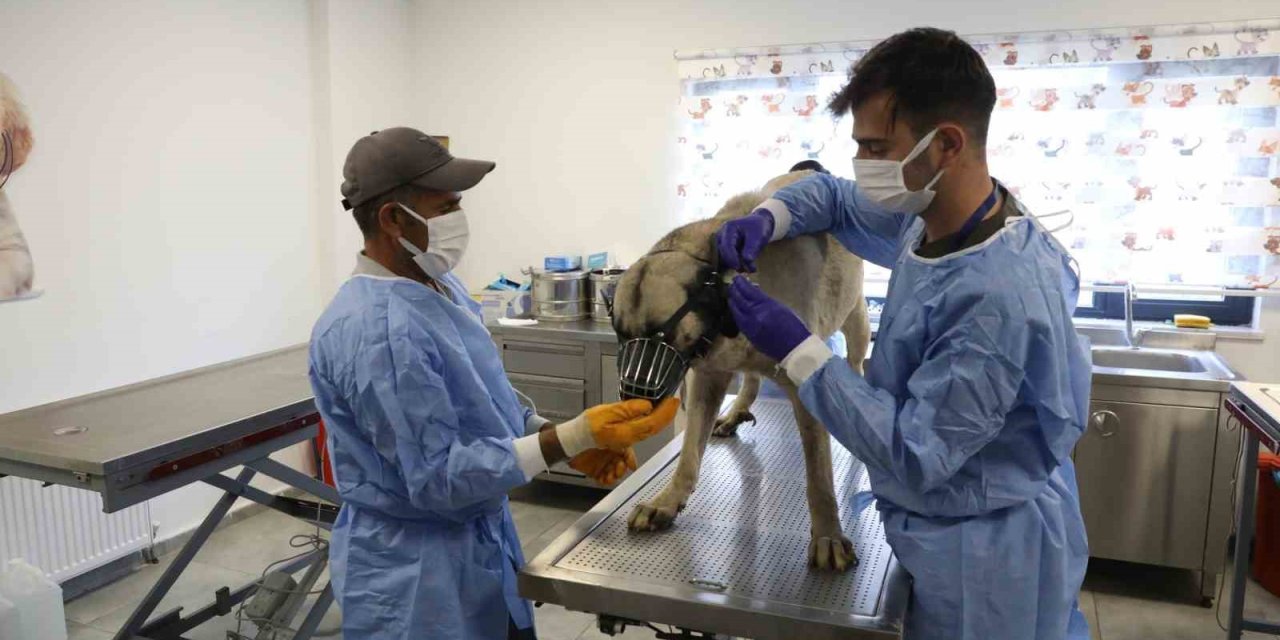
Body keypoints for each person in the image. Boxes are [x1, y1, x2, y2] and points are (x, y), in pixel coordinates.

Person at [716, 29, 1091, 640]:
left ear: (945, 144)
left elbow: (918, 455)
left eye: (875, 147)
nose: (864, 164)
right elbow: (834, 199)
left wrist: (802, 351)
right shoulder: (935, 223)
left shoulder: (995, 297)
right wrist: (771, 214)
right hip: (942, 533)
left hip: (984, 564)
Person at [308, 127, 679, 640]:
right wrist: (568, 439)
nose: (460, 221)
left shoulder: (437, 287)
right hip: (418, 581)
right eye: (446, 208)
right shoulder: (378, 333)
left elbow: (487, 404)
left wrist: (558, 438)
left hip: (480, 551)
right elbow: (437, 479)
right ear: (394, 219)